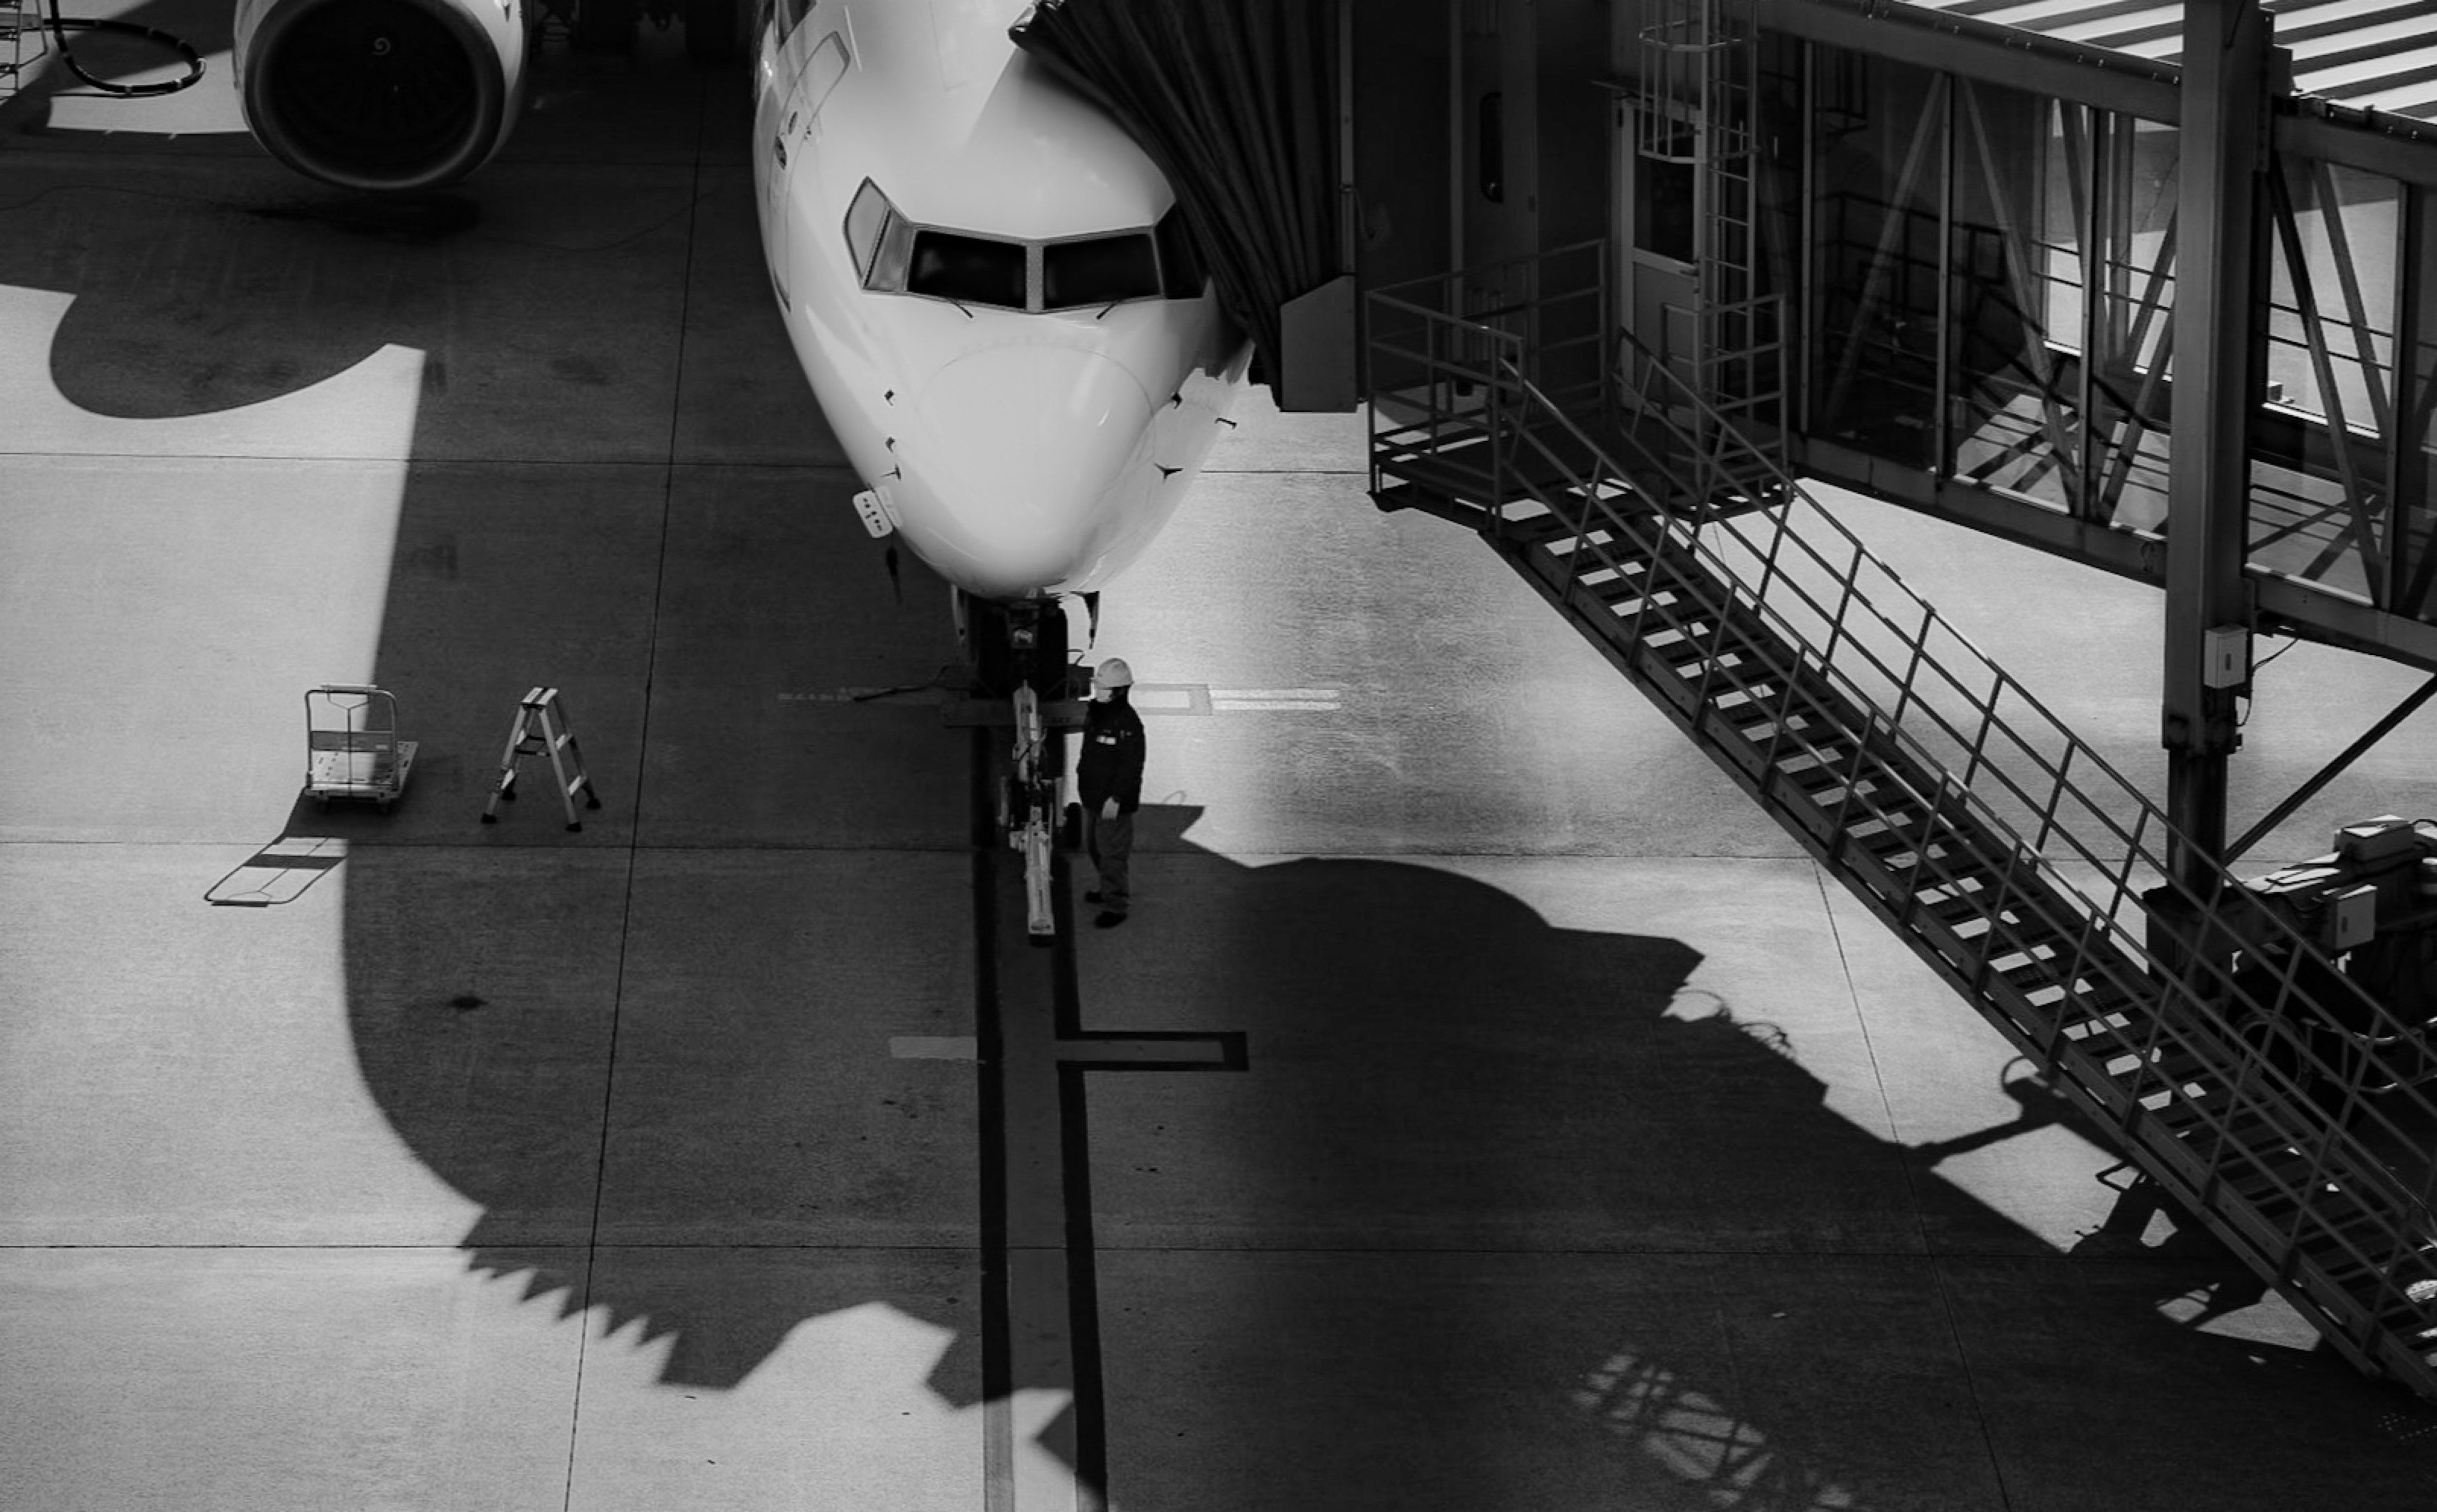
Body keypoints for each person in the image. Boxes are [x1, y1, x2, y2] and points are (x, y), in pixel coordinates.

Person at [1075, 655, 1145, 928]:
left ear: (1120, 691)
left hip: (1111, 804)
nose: (1098, 691)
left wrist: (1116, 798)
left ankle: (1116, 906)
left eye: (1103, 688)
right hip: (1093, 798)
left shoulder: (1128, 724)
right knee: (1095, 849)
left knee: (1112, 855)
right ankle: (1106, 890)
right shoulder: (1097, 713)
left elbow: (1132, 766)